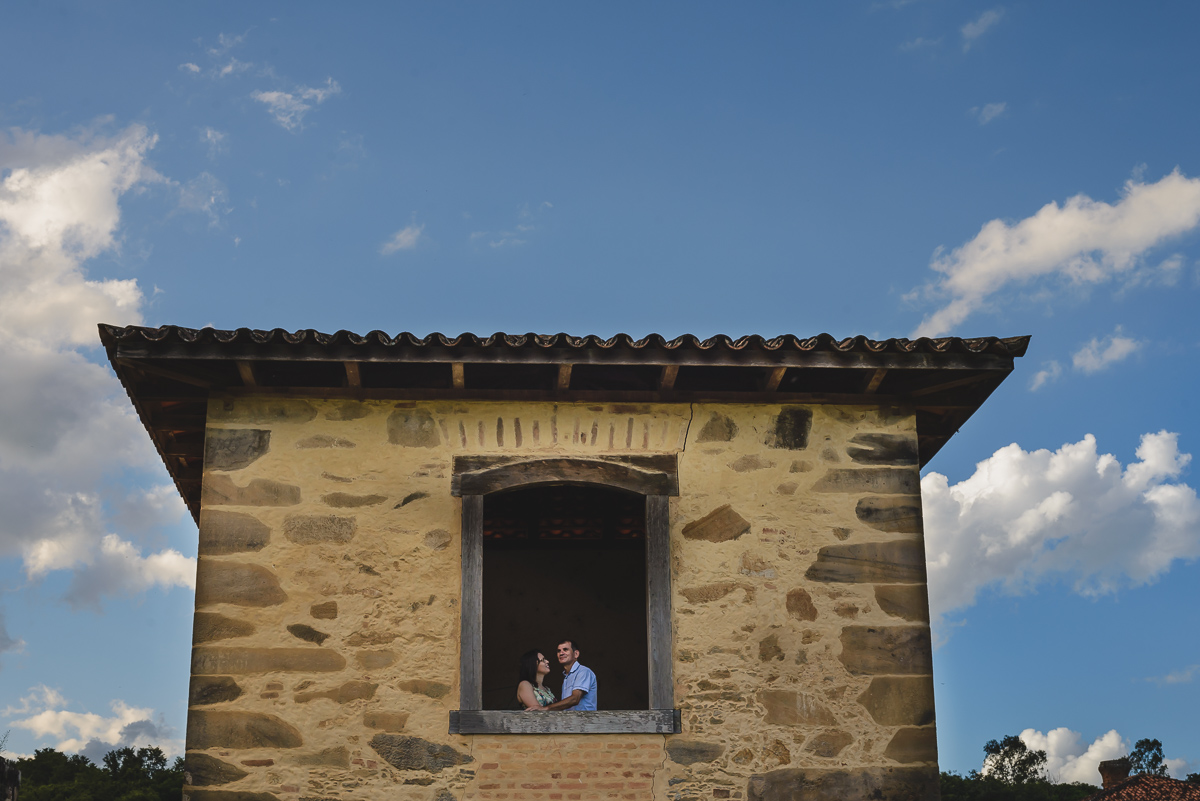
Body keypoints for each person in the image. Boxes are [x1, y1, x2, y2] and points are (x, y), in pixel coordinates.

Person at [538, 638, 597, 711]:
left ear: (576, 654)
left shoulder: (583, 672)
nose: (561, 653)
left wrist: (546, 708)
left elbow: (575, 699)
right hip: (570, 721)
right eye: (559, 651)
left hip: (585, 721)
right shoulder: (567, 676)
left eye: (565, 650)